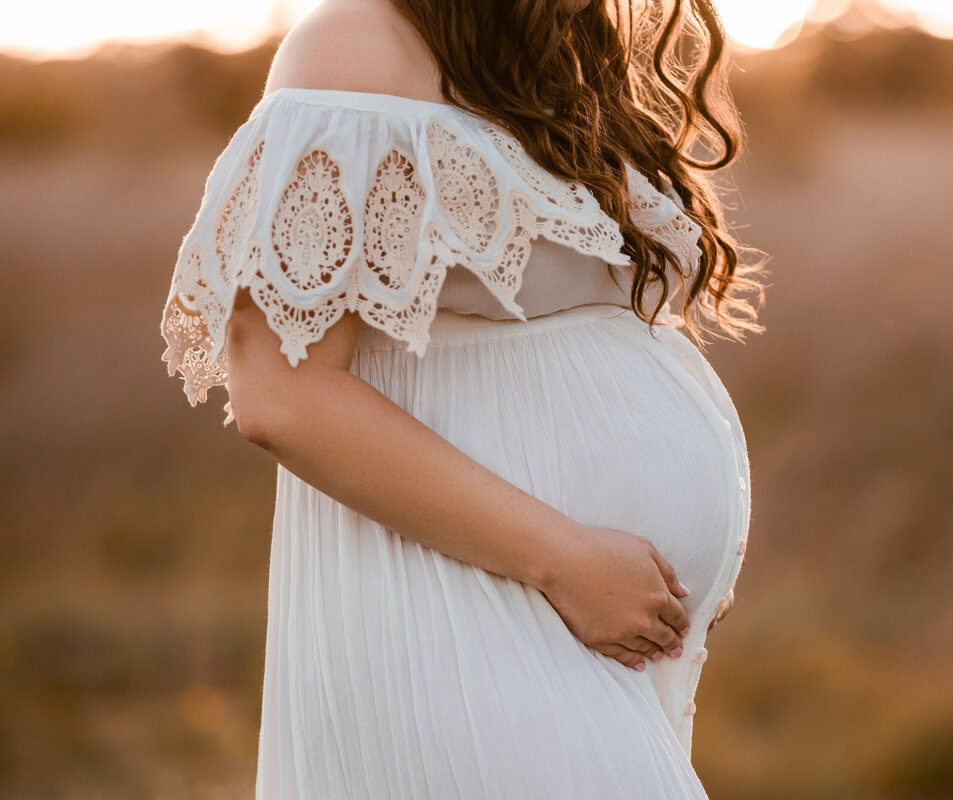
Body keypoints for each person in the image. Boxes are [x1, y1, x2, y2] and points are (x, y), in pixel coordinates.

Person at [158, 0, 767, 796]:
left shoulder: (550, 56)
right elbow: (280, 390)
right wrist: (565, 560)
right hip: (459, 600)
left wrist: (681, 555)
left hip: (570, 615)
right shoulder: (355, 48)